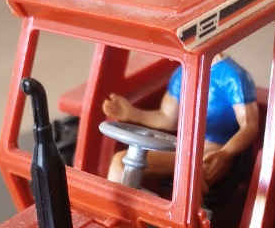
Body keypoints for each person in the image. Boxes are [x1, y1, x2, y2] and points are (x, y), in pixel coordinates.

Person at [103, 53, 259, 193]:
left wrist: (225, 154)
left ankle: (193, 214)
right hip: (183, 147)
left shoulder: (233, 77)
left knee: (191, 182)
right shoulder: (183, 72)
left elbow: (249, 125)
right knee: (121, 162)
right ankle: (115, 212)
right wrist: (131, 113)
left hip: (214, 152)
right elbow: (167, 118)